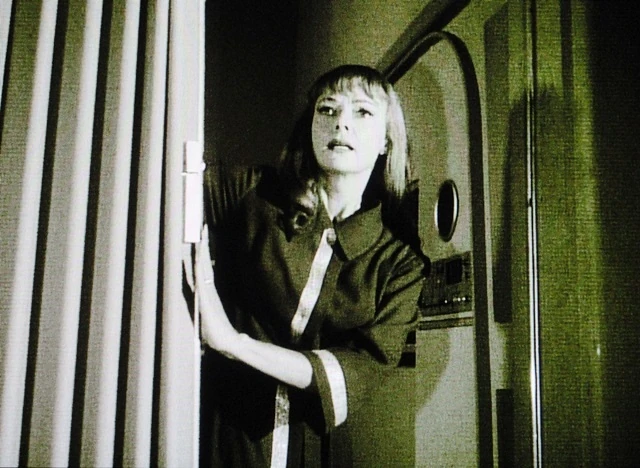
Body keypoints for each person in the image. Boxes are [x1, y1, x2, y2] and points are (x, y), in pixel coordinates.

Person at [195, 64, 429, 467]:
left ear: (386, 141)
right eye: (328, 109)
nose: (341, 123)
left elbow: (360, 371)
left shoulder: (399, 263)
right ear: (311, 127)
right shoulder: (253, 192)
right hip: (202, 421)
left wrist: (232, 342)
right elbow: (170, 187)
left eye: (362, 111)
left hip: (298, 448)